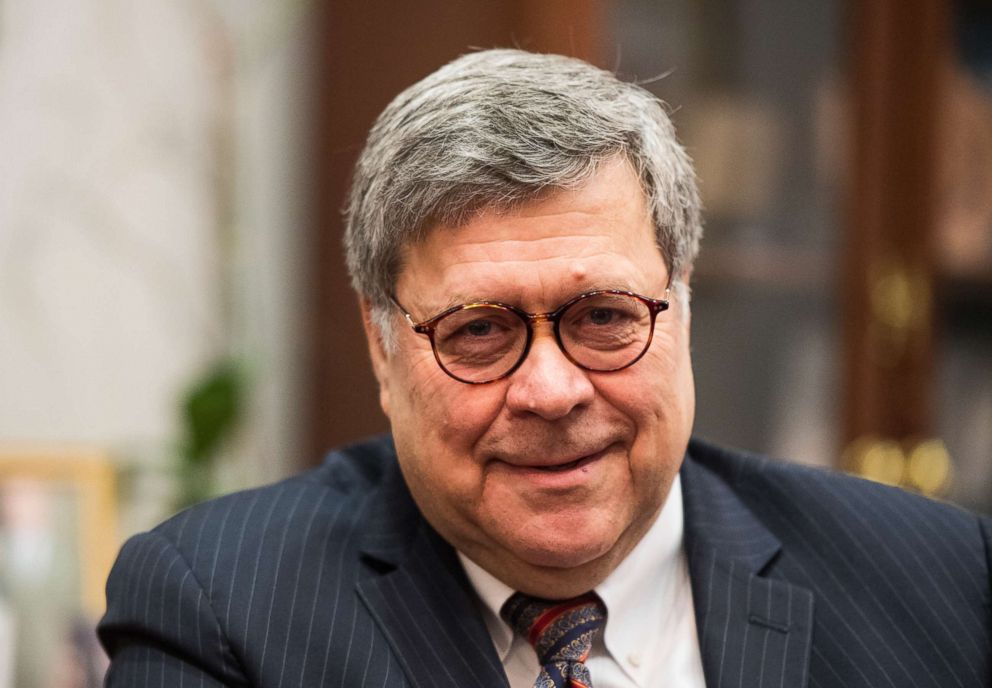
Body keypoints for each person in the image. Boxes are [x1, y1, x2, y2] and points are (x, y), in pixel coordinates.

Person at [98, 49, 992, 688]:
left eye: (604, 317)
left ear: (679, 308)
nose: (553, 391)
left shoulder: (941, 581)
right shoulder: (222, 612)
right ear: (383, 348)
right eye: (479, 333)